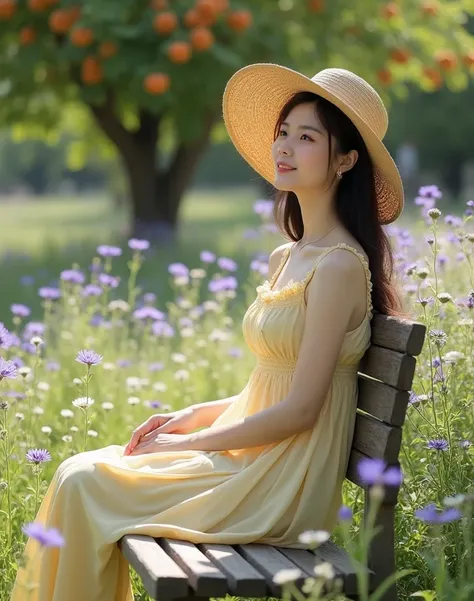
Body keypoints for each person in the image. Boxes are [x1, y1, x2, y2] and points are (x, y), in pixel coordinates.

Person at [11, 64, 406, 601]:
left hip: (283, 482)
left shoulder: (338, 265)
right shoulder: (286, 256)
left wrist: (190, 442)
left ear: (345, 160)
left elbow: (301, 409)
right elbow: (266, 387)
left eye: (307, 137)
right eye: (283, 133)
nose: (285, 147)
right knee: (77, 470)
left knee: (85, 482)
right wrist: (187, 416)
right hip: (256, 458)